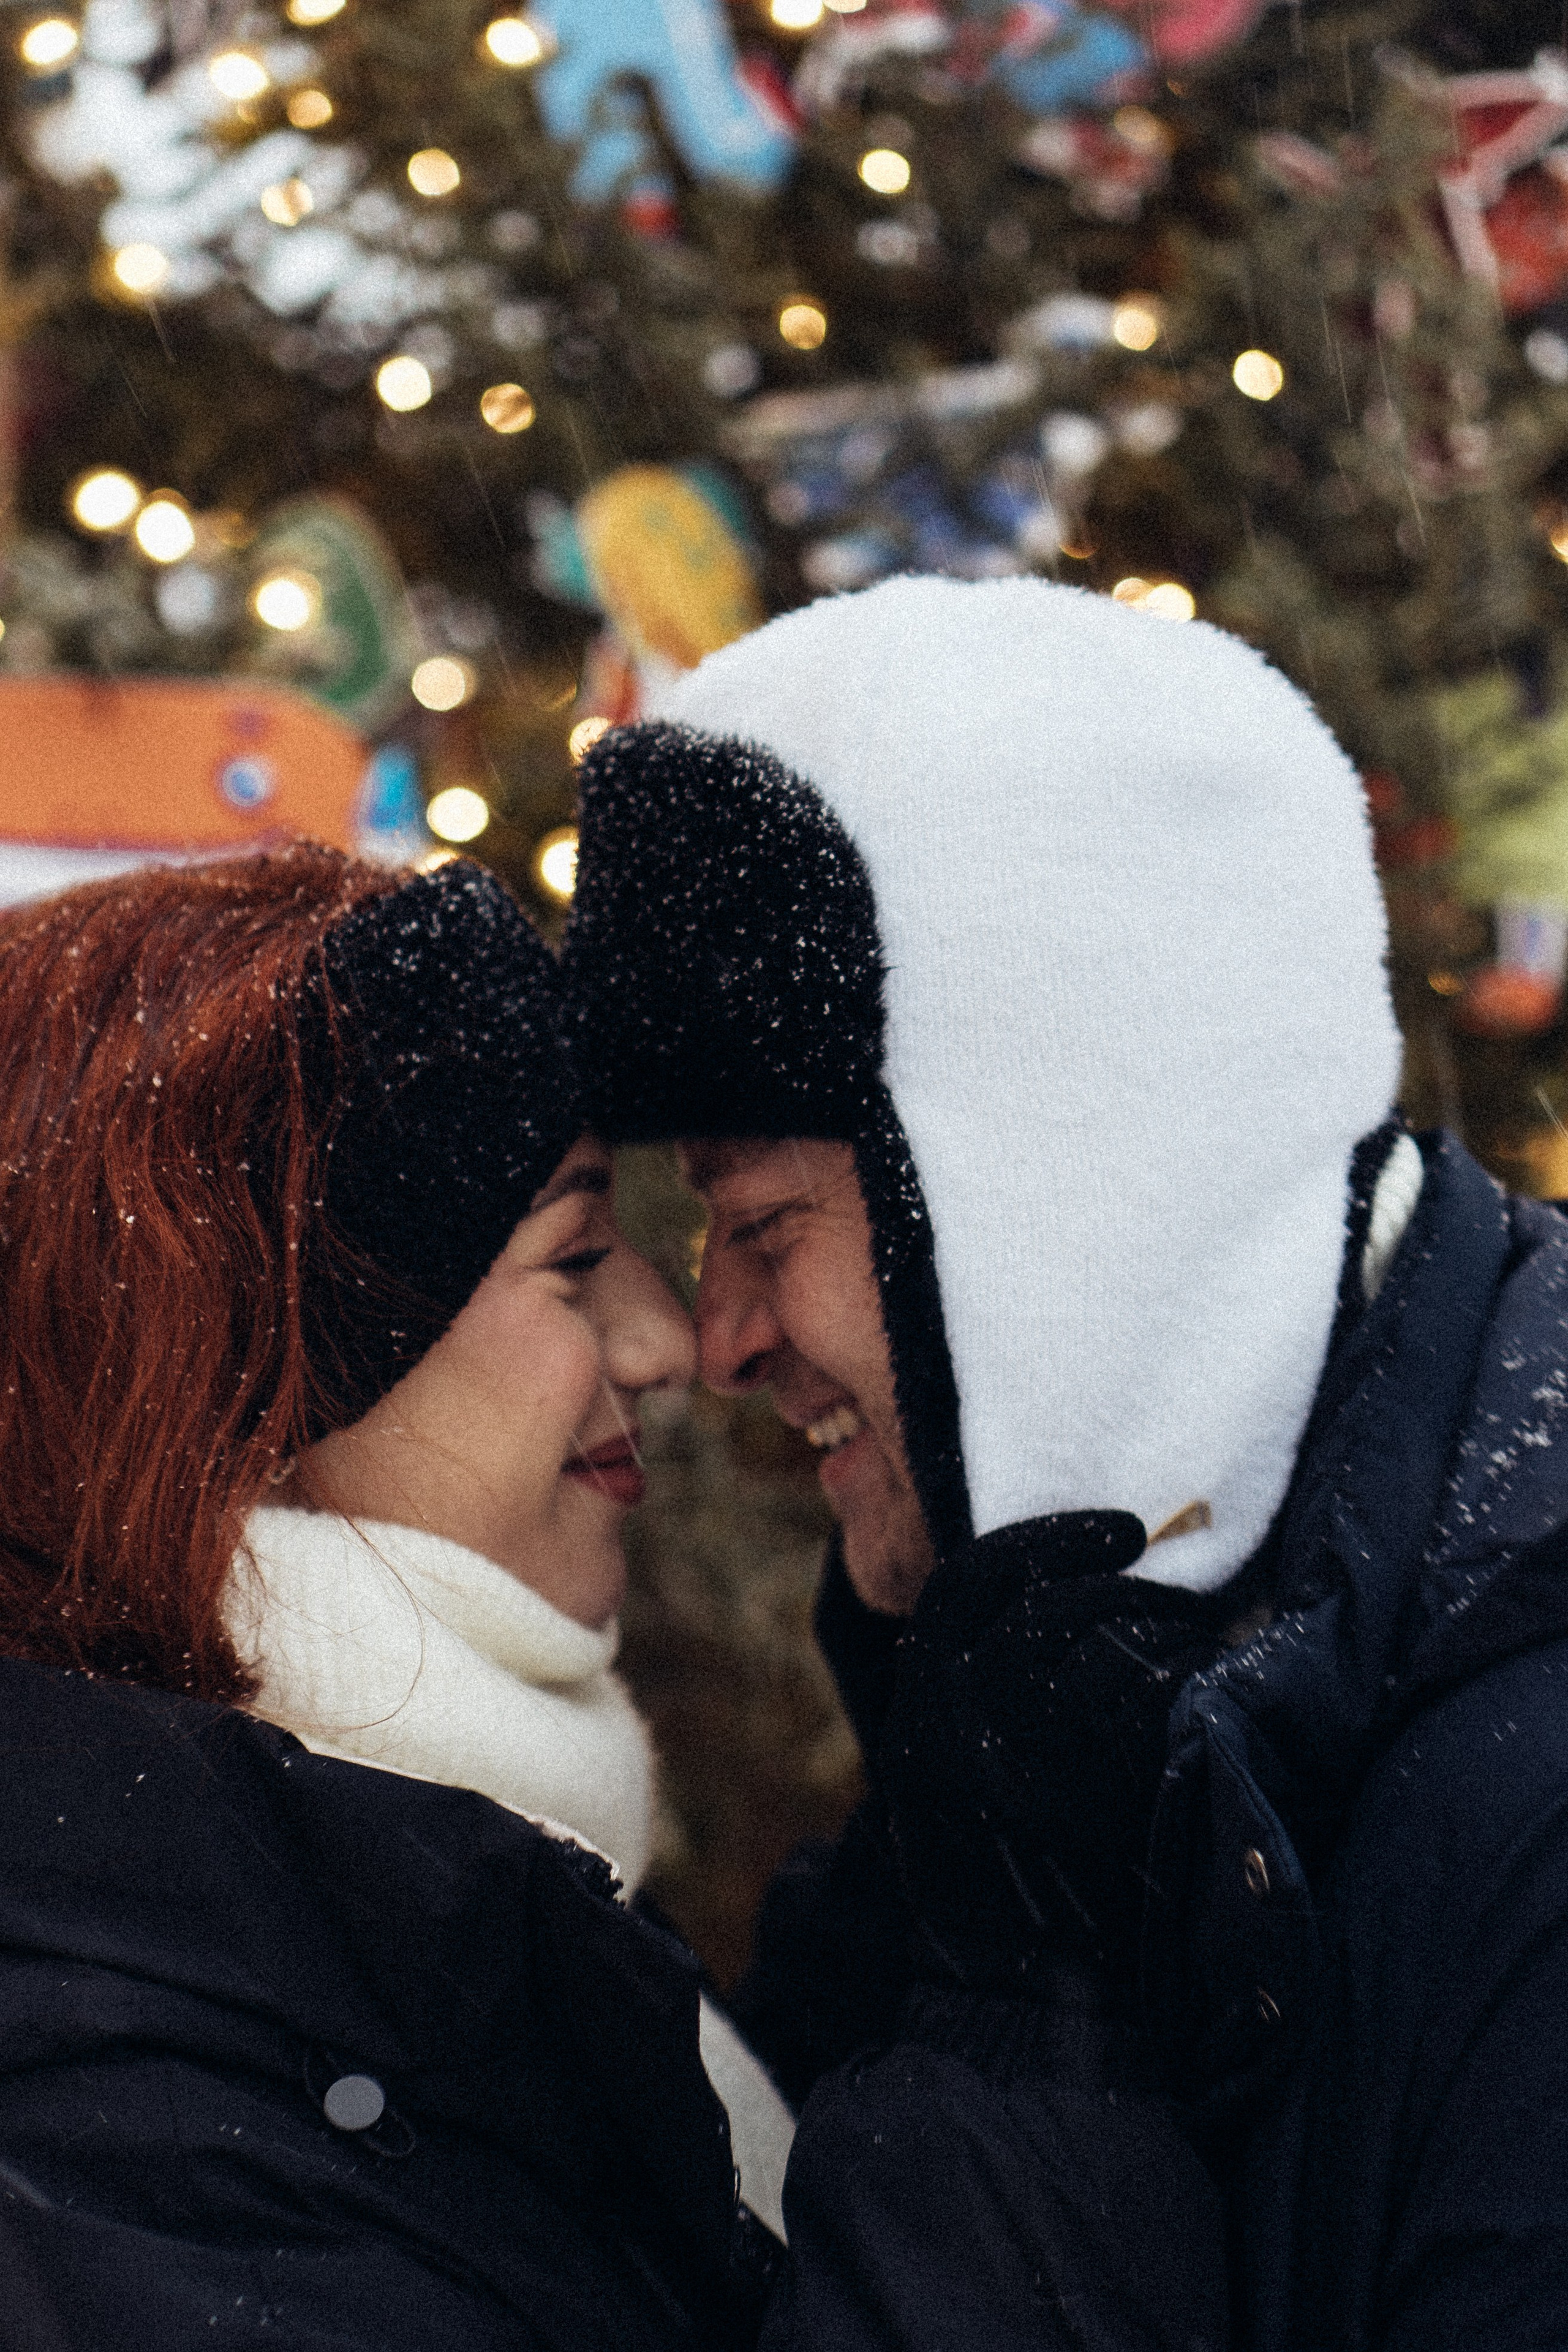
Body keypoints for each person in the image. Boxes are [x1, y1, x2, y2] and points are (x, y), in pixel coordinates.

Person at [562, 571, 1568, 2351]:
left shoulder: (1517, 1805)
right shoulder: (1099, 1693)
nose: (715, 1341)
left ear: (1056, 1200)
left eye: (767, 1224)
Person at [0, 845, 801, 2349]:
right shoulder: (118, 2134)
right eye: (574, 1259)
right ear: (239, 1384)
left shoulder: (380, 1929)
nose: (665, 1341)